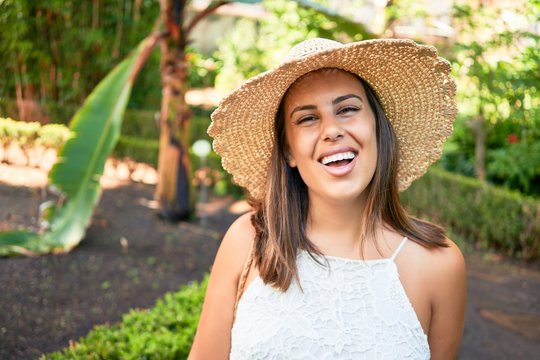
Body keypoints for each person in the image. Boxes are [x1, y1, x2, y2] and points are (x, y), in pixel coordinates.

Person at [189, 38, 467, 359]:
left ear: (378, 128)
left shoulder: (440, 265)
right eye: (307, 118)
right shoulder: (248, 241)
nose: (331, 130)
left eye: (347, 109)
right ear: (288, 150)